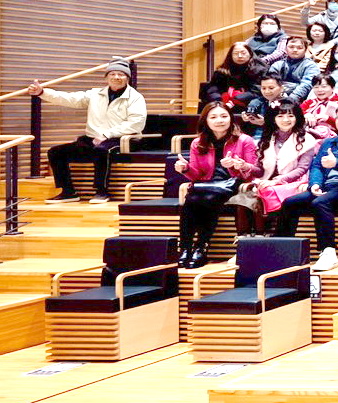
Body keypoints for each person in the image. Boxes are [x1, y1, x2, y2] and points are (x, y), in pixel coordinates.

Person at [273, 105, 338, 271]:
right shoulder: (329, 142)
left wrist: (337, 163)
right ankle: (281, 250)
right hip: (325, 186)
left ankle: (328, 252)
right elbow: (316, 166)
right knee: (290, 202)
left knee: (320, 202)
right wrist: (315, 184)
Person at [31, 61, 148, 204]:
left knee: (101, 150)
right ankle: (68, 192)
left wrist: (107, 134)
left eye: (121, 74)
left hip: (124, 139)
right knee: (56, 152)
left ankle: (101, 191)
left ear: (127, 78)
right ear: (106, 77)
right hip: (95, 138)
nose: (116, 77)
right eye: (112, 74)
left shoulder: (135, 97)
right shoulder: (95, 94)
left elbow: (136, 123)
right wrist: (43, 92)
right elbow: (71, 99)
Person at [172, 103, 257, 269]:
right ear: (206, 120)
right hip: (207, 184)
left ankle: (201, 246)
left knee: (205, 197)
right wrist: (185, 168)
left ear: (231, 118)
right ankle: (186, 248)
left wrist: (236, 166)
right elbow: (197, 176)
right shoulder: (198, 143)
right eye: (213, 117)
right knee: (192, 198)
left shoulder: (244, 140)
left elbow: (252, 172)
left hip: (234, 182)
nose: (219, 120)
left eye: (224, 116)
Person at [229, 101, 319, 237]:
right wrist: (245, 166)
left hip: (294, 183)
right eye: (280, 116)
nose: (286, 120)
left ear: (297, 118)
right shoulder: (267, 137)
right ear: (273, 118)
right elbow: (260, 170)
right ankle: (245, 237)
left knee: (261, 192)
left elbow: (302, 169)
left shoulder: (306, 139)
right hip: (266, 182)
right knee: (243, 196)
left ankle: (261, 234)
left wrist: (277, 181)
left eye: (290, 116)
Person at [268, 37, 322, 103]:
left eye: (299, 48)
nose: (295, 50)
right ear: (285, 48)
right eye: (291, 47)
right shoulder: (278, 64)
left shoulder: (311, 66)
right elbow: (270, 83)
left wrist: (292, 98)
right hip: (276, 96)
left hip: (301, 99)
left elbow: (307, 84)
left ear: (305, 50)